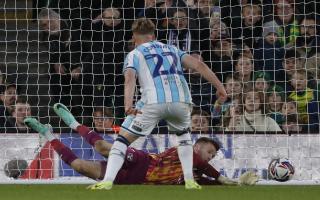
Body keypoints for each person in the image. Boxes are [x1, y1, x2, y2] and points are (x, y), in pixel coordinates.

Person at [87, 18, 227, 190]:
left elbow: (130, 78)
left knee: (122, 140)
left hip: (153, 102)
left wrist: (127, 105)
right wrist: (220, 88)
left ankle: (107, 181)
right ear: (153, 36)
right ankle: (190, 181)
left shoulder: (135, 53)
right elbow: (199, 65)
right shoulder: (172, 49)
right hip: (181, 101)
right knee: (183, 137)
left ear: (134, 38)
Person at [23, 104, 258, 186]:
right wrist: (219, 176)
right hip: (143, 162)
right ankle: (74, 124)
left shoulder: (193, 176)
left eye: (213, 156)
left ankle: (49, 135)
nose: (209, 157)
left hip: (132, 180)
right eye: (209, 151)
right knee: (106, 147)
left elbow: (211, 182)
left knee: (81, 167)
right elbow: (207, 170)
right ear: (197, 147)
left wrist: (236, 184)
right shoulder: (185, 151)